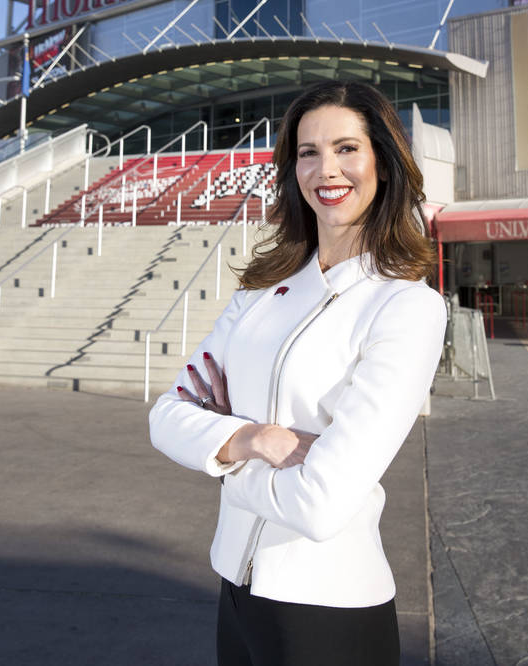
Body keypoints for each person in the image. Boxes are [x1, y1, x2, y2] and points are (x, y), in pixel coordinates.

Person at [149, 81, 447, 666]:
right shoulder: (260, 295)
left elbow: (321, 503)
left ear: (382, 162)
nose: (326, 169)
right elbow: (165, 416)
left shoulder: (407, 307)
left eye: (345, 148)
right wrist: (252, 439)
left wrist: (217, 460)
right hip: (236, 595)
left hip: (328, 614)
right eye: (307, 152)